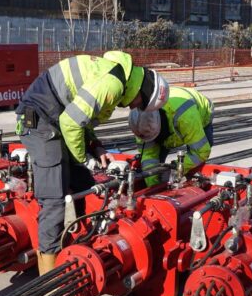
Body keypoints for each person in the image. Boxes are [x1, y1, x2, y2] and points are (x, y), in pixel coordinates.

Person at [15, 51, 168, 277]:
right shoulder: (113, 84)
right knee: (54, 200)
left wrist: (95, 146)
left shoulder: (119, 77)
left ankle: (75, 247)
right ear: (141, 93)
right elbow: (71, 121)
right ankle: (49, 278)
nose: (133, 107)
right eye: (139, 104)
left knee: (84, 184)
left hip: (56, 118)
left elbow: (79, 113)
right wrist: (83, 158)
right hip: (40, 120)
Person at [128, 86, 214, 186]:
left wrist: (175, 169)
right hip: (172, 118)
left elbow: (201, 152)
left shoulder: (185, 116)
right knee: (157, 161)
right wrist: (153, 186)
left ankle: (192, 180)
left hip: (200, 113)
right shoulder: (140, 125)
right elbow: (149, 157)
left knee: (200, 152)